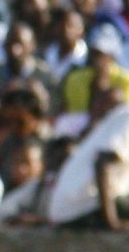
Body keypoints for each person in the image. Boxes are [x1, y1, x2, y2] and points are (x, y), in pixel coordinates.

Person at [47, 83, 129, 229]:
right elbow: (102, 164)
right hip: (81, 209)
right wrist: (112, 222)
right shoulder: (126, 116)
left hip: (71, 210)